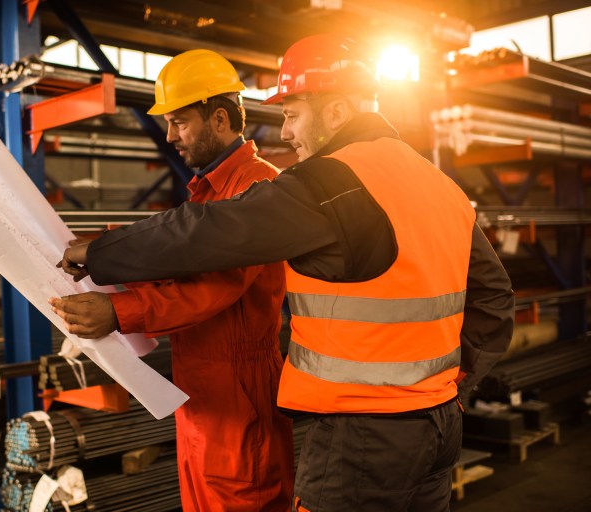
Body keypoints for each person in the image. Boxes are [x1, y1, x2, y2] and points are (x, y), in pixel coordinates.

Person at [54, 34, 515, 511]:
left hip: (361, 434)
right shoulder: (437, 182)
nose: (286, 132)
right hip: (437, 425)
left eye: (293, 114)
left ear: (335, 112)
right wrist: (448, 386)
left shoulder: (329, 182)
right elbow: (496, 298)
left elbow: (208, 233)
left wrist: (103, 253)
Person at [50, 49, 294, 511]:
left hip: (239, 395)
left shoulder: (257, 189)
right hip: (202, 393)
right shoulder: (210, 190)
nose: (169, 136)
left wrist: (117, 312)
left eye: (180, 122)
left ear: (219, 119)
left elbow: (212, 289)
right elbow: (174, 267)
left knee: (245, 500)